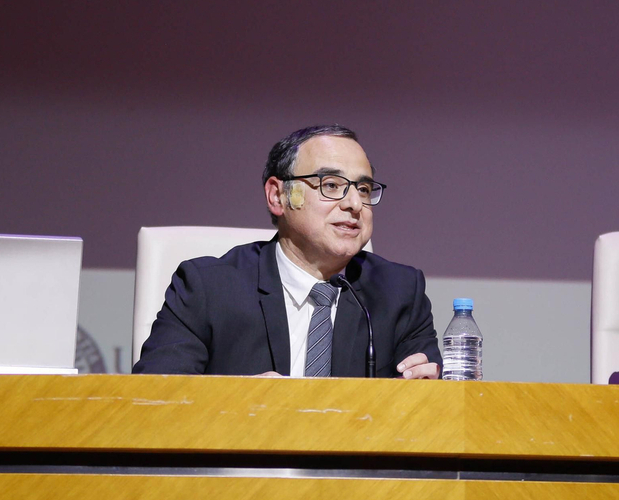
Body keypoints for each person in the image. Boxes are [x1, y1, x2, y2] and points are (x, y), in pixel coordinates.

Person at [136, 124, 441, 378]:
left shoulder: (399, 293)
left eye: (363, 189)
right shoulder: (207, 289)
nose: (354, 204)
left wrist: (426, 397)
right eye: (331, 185)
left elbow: (429, 407)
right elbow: (151, 401)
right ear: (278, 196)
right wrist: (234, 402)